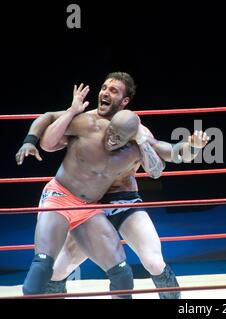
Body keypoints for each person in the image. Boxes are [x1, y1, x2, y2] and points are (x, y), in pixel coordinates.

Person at [16, 72, 209, 298]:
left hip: (123, 201)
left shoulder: (139, 134)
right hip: (85, 205)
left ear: (124, 101)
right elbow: (48, 132)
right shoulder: (86, 121)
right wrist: (31, 140)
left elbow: (172, 155)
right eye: (105, 88)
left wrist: (193, 147)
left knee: (153, 261)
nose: (105, 93)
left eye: (114, 90)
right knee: (58, 269)